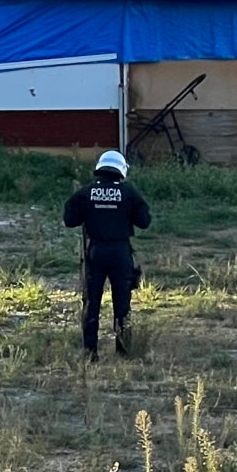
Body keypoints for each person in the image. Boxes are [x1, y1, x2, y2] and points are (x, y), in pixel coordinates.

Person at [64, 148, 153, 359]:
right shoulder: (129, 192)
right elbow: (144, 221)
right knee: (122, 302)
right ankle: (123, 350)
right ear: (121, 169)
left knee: (91, 302)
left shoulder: (86, 192)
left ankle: (89, 351)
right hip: (120, 252)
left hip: (95, 252)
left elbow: (70, 220)